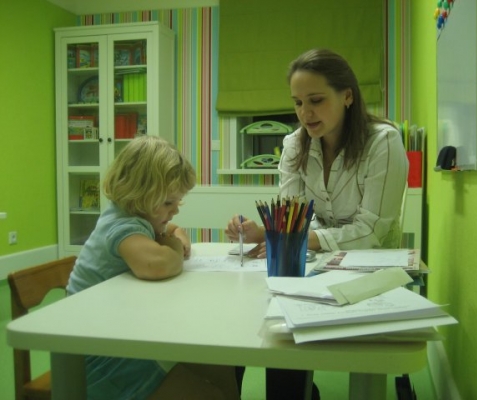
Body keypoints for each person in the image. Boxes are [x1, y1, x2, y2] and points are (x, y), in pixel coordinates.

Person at [226, 48, 409, 400]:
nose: (305, 113)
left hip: (370, 267)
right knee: (269, 323)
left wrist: (298, 238)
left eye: (316, 100)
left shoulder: (383, 142)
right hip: (316, 264)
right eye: (297, 103)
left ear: (347, 96)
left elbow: (371, 231)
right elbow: (292, 214)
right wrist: (265, 231)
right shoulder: (294, 145)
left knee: (291, 325)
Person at [67, 135, 240, 400]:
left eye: (178, 203)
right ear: (139, 195)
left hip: (126, 331)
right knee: (212, 393)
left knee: (221, 363)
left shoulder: (135, 216)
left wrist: (175, 237)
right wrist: (173, 247)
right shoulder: (121, 225)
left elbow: (174, 230)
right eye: (168, 203)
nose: (175, 211)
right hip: (101, 356)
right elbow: (157, 265)